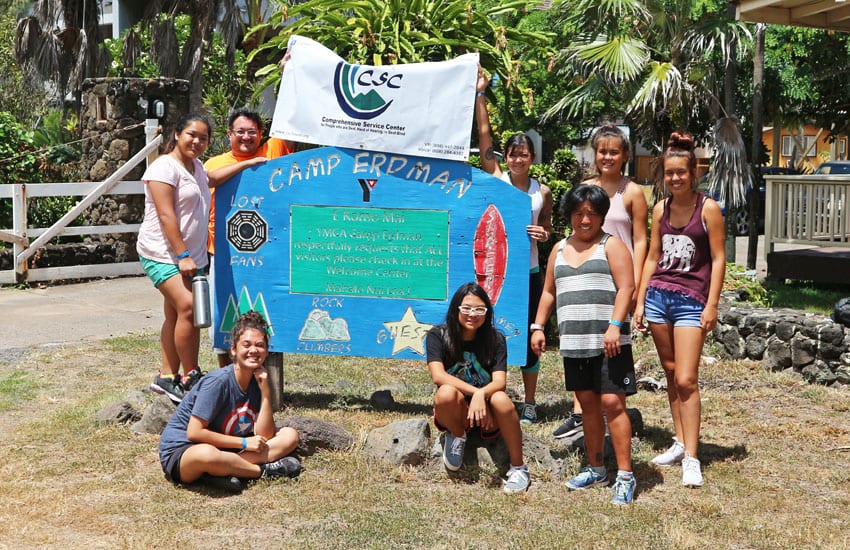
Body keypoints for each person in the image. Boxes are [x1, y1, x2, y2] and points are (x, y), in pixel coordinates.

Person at [138, 114, 267, 403]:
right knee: (189, 308)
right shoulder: (163, 168)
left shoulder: (195, 167)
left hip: (190, 255)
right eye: (191, 135)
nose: (196, 142)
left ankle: (167, 376)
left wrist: (246, 164)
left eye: (203, 138)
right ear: (177, 134)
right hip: (162, 253)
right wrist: (182, 255)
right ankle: (191, 374)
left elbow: (211, 179)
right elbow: (165, 214)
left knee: (174, 313)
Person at [531, 184, 637, 505]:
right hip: (574, 344)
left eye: (592, 213)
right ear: (570, 216)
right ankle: (596, 468)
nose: (585, 220)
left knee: (613, 405)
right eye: (579, 213)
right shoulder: (559, 249)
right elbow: (549, 292)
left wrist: (615, 326)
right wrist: (538, 326)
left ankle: (625, 476)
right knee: (588, 406)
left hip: (609, 343)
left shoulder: (613, 245)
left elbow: (627, 288)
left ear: (602, 216)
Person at [633, 131, 725, 488]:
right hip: (658, 298)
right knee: (671, 373)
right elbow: (653, 256)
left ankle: (692, 457)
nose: (675, 178)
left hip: (691, 302)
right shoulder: (660, 209)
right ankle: (680, 440)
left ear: (693, 173)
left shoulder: (709, 209)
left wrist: (712, 304)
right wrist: (640, 301)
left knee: (687, 378)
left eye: (681, 173)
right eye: (669, 173)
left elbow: (718, 259)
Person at [553, 124, 648, 440]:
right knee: (580, 345)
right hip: (587, 278)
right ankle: (580, 415)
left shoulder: (631, 192)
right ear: (595, 153)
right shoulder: (585, 186)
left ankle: (611, 418)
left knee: (610, 353)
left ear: (625, 155)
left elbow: (641, 241)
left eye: (614, 151)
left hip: (619, 283)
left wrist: (635, 289)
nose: (607, 156)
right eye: (602, 151)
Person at [475, 70, 553, 425]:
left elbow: (548, 227)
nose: (518, 159)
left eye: (524, 155)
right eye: (513, 154)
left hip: (532, 272)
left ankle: (531, 401)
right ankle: (495, 391)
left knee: (531, 335)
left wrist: (544, 233)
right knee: (497, 332)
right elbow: (484, 137)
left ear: (532, 158)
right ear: (506, 157)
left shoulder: (543, 191)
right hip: (499, 273)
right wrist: (481, 95)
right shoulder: (498, 180)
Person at [158, 311, 301, 493]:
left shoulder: (259, 378)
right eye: (246, 345)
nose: (253, 350)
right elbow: (194, 433)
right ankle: (263, 471)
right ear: (233, 349)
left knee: (289, 435)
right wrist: (243, 443)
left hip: (225, 448)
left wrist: (266, 393)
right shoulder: (218, 382)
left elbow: (265, 435)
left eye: (260, 345)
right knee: (207, 455)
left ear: (266, 350)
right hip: (185, 452)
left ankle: (222, 472)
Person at [204, 109, 293, 367]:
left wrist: (290, 74)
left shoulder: (272, 152)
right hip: (222, 253)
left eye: (252, 132)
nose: (246, 137)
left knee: (268, 314)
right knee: (225, 317)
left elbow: (290, 118)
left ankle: (263, 378)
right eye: (240, 132)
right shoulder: (214, 164)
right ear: (229, 134)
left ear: (261, 134)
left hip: (271, 253)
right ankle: (228, 378)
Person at [426, 282, 531, 494]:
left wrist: (483, 395)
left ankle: (519, 467)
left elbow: (499, 382)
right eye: (466, 308)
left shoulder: (495, 339)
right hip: (456, 411)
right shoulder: (437, 335)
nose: (472, 314)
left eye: (479, 309)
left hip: (487, 415)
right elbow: (439, 376)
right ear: (456, 309)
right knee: (445, 392)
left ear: (487, 312)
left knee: (501, 398)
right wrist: (476, 394)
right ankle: (456, 435)